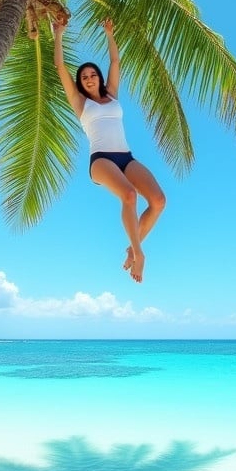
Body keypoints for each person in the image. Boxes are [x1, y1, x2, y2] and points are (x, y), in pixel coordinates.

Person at [52, 16, 166, 283]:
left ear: (99, 77)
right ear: (80, 83)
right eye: (84, 77)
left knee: (159, 201)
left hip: (126, 157)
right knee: (128, 195)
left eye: (93, 75)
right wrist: (58, 34)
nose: (89, 79)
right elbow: (60, 67)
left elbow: (116, 62)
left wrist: (110, 34)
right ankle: (139, 254)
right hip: (101, 160)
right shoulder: (80, 102)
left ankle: (131, 248)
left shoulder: (112, 94)